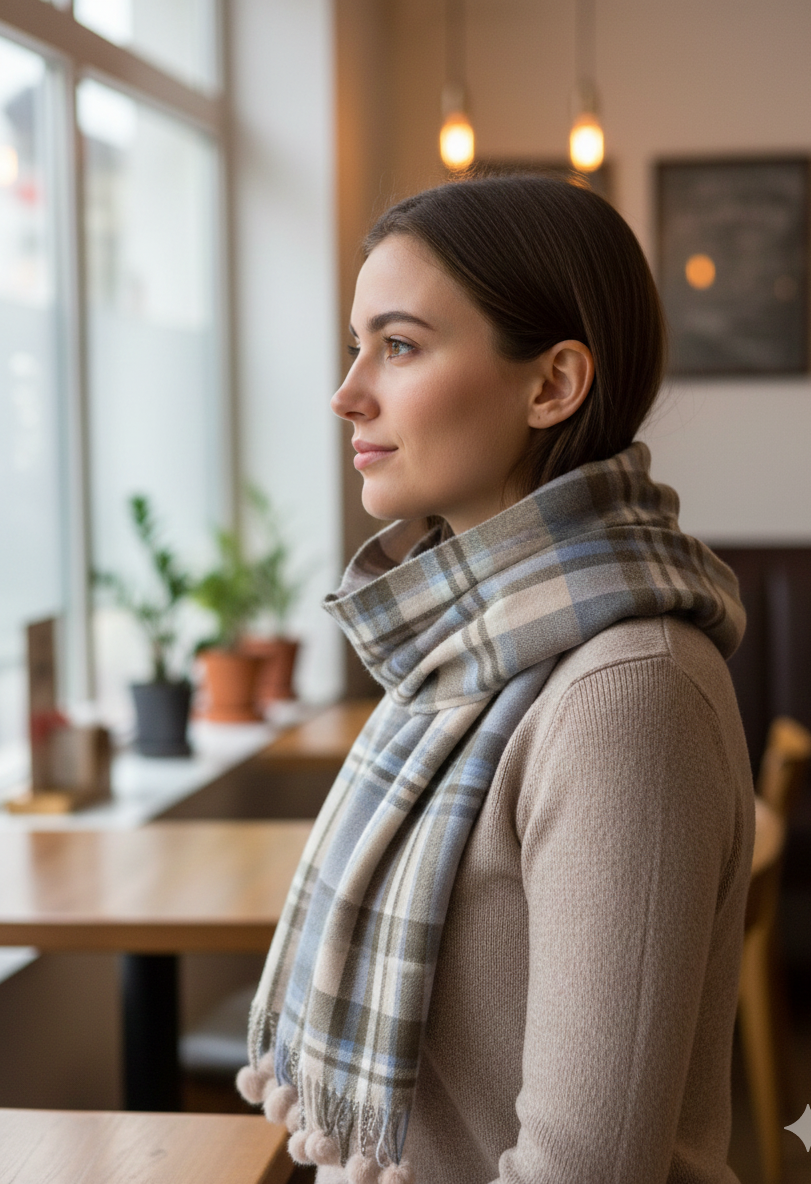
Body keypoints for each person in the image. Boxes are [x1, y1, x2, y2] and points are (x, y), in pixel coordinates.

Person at [237, 176, 754, 1184]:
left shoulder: (624, 693)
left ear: (552, 383)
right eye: (356, 345)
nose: (348, 393)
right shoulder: (458, 655)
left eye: (399, 345)